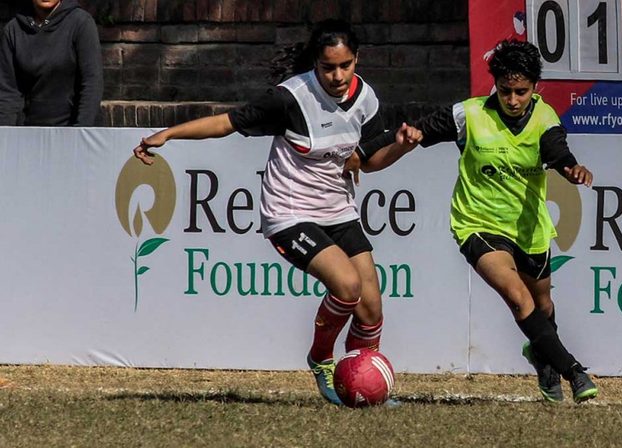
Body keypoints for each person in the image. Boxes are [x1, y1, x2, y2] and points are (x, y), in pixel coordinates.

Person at [132, 19, 421, 405]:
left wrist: (401, 146)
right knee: (348, 287)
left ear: (357, 60)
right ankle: (321, 359)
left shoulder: (366, 98)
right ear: (315, 65)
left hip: (338, 210)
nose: (337, 75)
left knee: (371, 308)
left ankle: (361, 388)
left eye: (345, 65)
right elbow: (227, 122)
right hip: (289, 213)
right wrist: (168, 134)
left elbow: (366, 162)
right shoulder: (291, 98)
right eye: (327, 67)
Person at [353, 39, 599, 403]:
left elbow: (557, 151)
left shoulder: (546, 119)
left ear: (536, 88)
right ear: (494, 85)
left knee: (542, 306)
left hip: (528, 228)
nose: (513, 100)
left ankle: (543, 356)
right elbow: (416, 129)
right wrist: (373, 149)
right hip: (477, 224)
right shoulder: (469, 115)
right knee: (517, 298)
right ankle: (574, 371)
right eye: (505, 91)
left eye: (521, 92)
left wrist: (571, 168)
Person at [0, 0, 103, 126]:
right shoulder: (13, 30)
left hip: (73, 129)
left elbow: (92, 82)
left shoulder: (81, 23)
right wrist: (6, 136)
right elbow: (8, 93)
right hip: (30, 131)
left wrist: (81, 132)